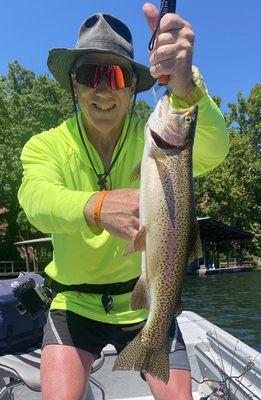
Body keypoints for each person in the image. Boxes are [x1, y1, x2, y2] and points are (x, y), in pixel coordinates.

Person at [18, 3, 229, 400]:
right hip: (74, 302)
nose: (102, 88)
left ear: (132, 86)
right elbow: (36, 200)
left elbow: (213, 152)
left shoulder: (152, 135)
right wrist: (97, 207)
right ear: (74, 85)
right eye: (89, 74)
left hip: (146, 302)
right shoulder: (45, 145)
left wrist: (185, 89)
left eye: (114, 75)